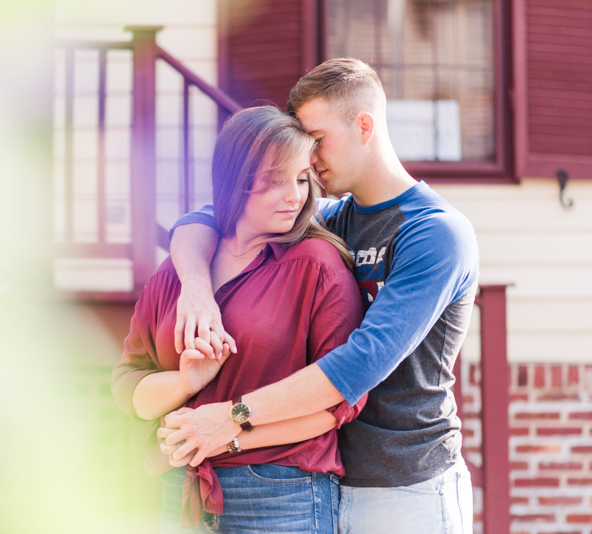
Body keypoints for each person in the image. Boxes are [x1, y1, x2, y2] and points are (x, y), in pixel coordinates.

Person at [161, 58, 479, 534]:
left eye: (317, 140)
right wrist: (197, 291)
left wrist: (234, 418)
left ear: (364, 126)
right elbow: (206, 221)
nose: (307, 160)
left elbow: (360, 363)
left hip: (408, 488)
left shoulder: (436, 233)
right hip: (326, 484)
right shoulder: (331, 221)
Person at [111, 106, 365, 533]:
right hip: (181, 490)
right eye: (273, 181)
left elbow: (340, 404)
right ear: (234, 181)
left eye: (302, 179)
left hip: (280, 493)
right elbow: (128, 387)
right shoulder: (177, 272)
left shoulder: (318, 266)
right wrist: (184, 384)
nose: (294, 196)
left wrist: (228, 435)